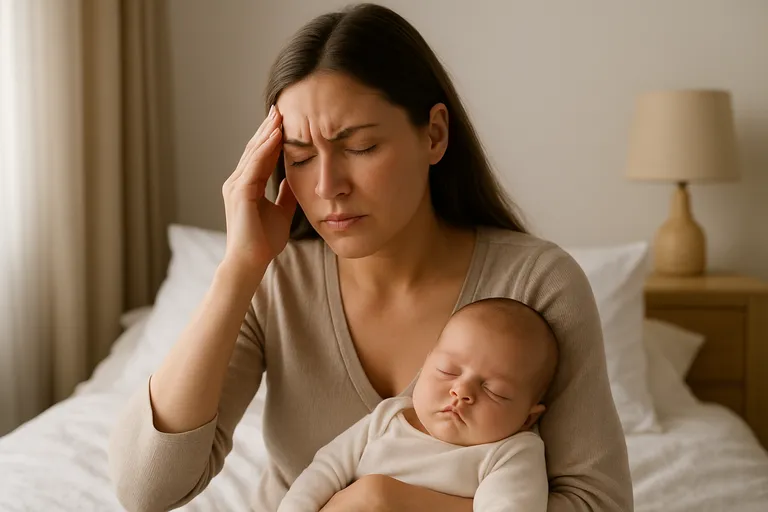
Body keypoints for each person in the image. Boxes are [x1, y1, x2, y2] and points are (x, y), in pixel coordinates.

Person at [108, 3, 633, 511]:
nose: (328, 186)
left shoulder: (538, 284)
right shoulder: (275, 279)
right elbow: (145, 490)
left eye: (359, 148)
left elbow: (598, 504)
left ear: (434, 134)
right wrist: (238, 270)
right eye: (301, 157)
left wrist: (385, 501)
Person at [277, 298, 558, 512]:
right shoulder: (386, 418)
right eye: (448, 371)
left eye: (495, 391)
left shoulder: (509, 452)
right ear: (424, 366)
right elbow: (325, 470)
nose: (461, 391)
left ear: (527, 419)